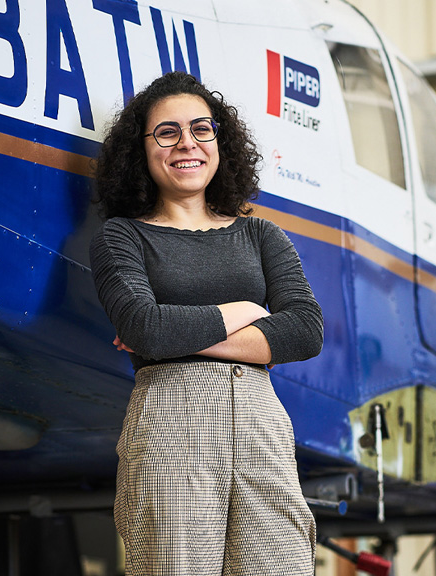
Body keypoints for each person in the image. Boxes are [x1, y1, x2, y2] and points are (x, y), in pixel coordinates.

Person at [89, 71, 324, 576]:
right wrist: (247, 313)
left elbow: (305, 330)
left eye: (201, 128)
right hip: (171, 426)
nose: (187, 144)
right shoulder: (121, 237)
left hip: (262, 426)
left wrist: (173, 338)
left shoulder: (262, 235)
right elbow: (145, 328)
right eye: (167, 132)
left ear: (220, 140)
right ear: (142, 150)